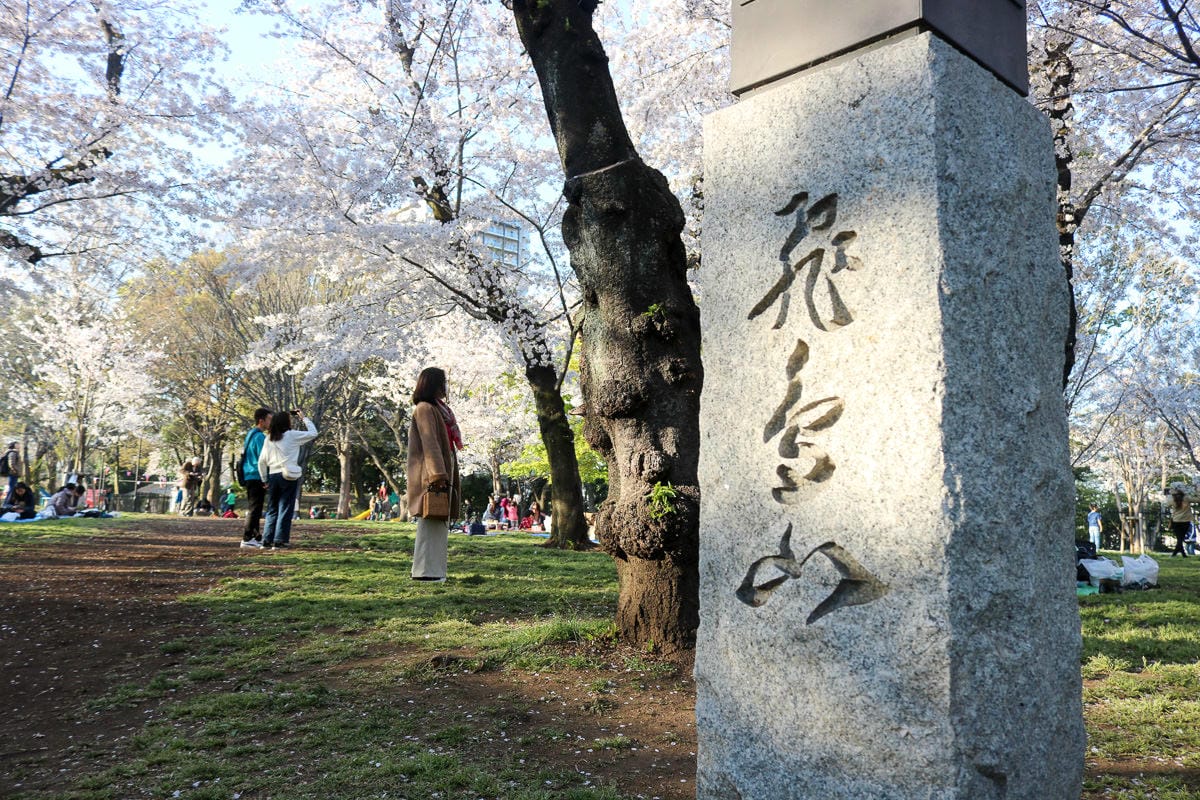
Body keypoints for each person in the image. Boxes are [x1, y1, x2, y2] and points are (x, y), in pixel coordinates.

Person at [406, 367, 461, 582]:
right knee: (430, 520)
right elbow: (430, 444)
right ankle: (426, 571)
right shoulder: (425, 409)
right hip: (431, 475)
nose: (444, 387)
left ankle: (434, 570)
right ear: (433, 384)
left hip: (441, 470)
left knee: (438, 523)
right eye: (442, 382)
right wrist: (438, 474)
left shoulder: (438, 409)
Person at [258, 409, 318, 550]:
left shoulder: (269, 438)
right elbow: (313, 433)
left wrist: (264, 479)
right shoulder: (291, 435)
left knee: (272, 509)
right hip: (288, 475)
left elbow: (261, 461)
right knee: (285, 508)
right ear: (287, 422)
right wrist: (304, 418)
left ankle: (267, 540)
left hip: (273, 475)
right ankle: (280, 540)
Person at [240, 408, 273, 549]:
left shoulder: (250, 434)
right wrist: (267, 478)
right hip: (256, 475)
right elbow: (264, 458)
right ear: (262, 420)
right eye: (269, 419)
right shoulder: (260, 437)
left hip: (249, 474)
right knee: (255, 508)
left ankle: (254, 535)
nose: (271, 422)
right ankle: (247, 538)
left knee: (255, 507)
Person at [1167, 487, 1195, 558]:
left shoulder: (1172, 500)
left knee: (1179, 538)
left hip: (1176, 521)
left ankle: (1176, 553)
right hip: (1186, 521)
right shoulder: (1187, 498)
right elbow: (1198, 499)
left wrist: (1170, 494)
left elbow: (1167, 503)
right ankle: (1181, 554)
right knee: (1180, 538)